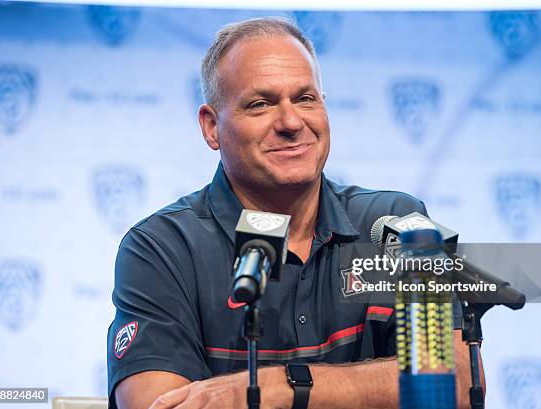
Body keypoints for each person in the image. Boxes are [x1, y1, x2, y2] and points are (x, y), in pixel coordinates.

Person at [107, 17, 484, 409]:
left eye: (305, 98)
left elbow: (453, 387)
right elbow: (156, 404)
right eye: (260, 104)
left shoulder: (395, 222)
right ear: (211, 128)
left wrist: (276, 388)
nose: (291, 122)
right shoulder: (161, 247)